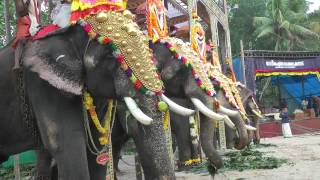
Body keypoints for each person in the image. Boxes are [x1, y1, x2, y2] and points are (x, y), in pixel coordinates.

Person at [13, 0, 41, 69]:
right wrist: (28, 2)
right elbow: (21, 13)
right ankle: (16, 64)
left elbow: (38, 13)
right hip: (25, 20)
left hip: (35, 22)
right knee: (21, 38)